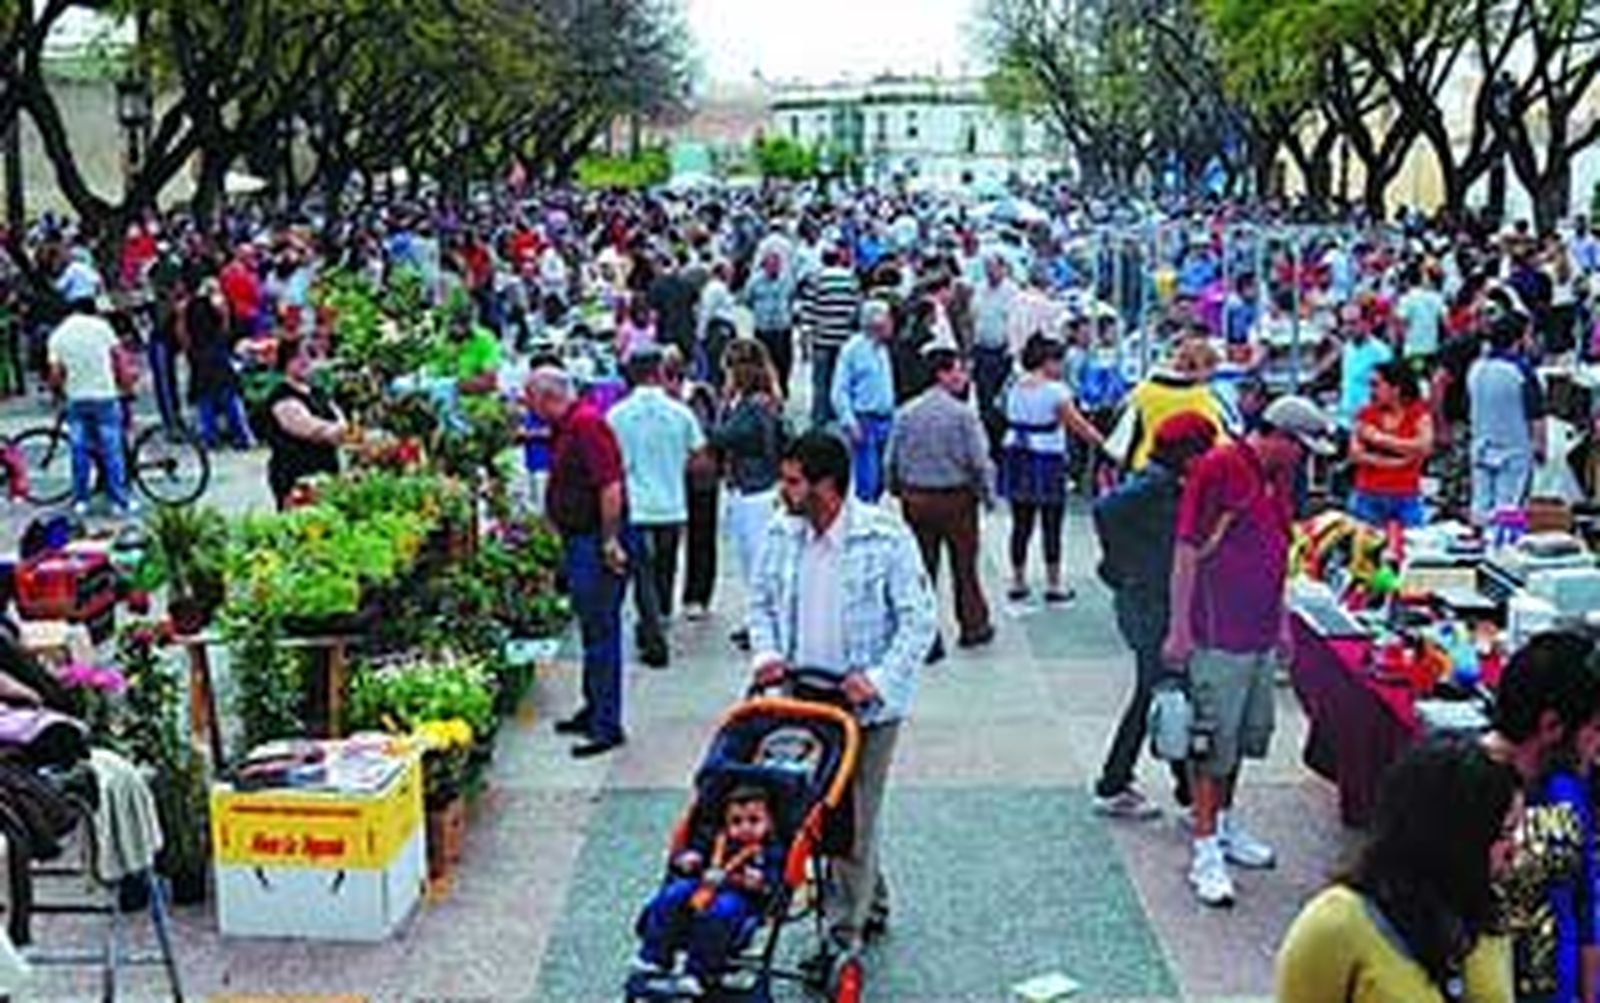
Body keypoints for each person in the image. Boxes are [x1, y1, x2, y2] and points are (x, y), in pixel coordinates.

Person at [747, 431, 937, 955]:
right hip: (803, 698)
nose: (782, 491)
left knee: (854, 814)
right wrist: (765, 657)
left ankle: (841, 935)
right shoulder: (780, 533)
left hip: (867, 708)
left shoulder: (886, 537)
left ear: (826, 487)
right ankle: (870, 900)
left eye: (792, 482)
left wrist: (876, 678)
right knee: (819, 808)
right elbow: (760, 603)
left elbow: (919, 622)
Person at [1163, 394, 1337, 907]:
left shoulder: (1276, 477)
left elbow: (1278, 553)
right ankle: (1203, 848)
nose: (1307, 458)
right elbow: (1187, 549)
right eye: (1302, 447)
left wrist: (1281, 622)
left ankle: (1224, 824)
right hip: (1217, 632)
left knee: (1240, 738)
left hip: (1259, 630)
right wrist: (1178, 628)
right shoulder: (1219, 468)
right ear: (1280, 436)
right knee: (1210, 741)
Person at [1275, 736, 1522, 1003]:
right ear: (1456, 840)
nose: (1515, 849)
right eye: (1504, 834)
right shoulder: (1335, 925)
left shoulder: (1486, 912)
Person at [1091, 412, 1218, 820]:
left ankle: (1175, 791)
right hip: (1148, 603)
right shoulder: (1155, 487)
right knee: (1160, 692)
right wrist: (1122, 562)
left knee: (1161, 690)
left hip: (1148, 599)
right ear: (1188, 453)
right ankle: (1121, 786)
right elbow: (1106, 509)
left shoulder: (1164, 480)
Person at [1482, 632, 1600, 1003]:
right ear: (1551, 726)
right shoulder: (1461, 790)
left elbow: (1586, 907)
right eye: (1595, 729)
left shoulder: (1570, 786)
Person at [527, 365, 629, 758]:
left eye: (530, 398)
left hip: (594, 542)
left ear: (547, 396)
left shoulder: (588, 425)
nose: (527, 406)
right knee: (590, 628)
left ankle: (607, 724)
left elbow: (610, 485)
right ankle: (593, 709)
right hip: (579, 540)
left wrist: (610, 540)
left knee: (602, 630)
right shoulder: (568, 425)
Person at [886, 342, 996, 657]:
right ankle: (973, 626)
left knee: (922, 569)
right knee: (964, 567)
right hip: (956, 500)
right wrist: (987, 495)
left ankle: (927, 636)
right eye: (958, 369)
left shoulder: (906, 412)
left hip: (916, 498)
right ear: (942, 375)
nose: (963, 376)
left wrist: (895, 487)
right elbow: (978, 460)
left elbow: (891, 458)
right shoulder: (963, 416)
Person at [632, 785, 786, 997]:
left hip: (741, 895)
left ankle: (697, 973)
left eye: (754, 820)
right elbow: (694, 854)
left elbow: (775, 881)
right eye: (736, 821)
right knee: (673, 894)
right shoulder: (716, 839)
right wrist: (689, 859)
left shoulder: (770, 850)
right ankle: (654, 957)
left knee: (721, 911)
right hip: (704, 882)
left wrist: (761, 882)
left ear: (769, 822)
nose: (745, 828)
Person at [608, 345, 706, 669]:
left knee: (643, 573)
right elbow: (698, 456)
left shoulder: (618, 415)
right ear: (660, 373)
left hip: (637, 506)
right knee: (665, 569)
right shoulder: (680, 413)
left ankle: (651, 629)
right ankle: (659, 621)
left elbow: (613, 464)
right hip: (672, 504)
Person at [999, 333, 1106, 604]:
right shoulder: (1056, 391)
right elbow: (1078, 425)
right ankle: (1053, 583)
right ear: (1047, 363)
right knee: (1051, 521)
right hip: (1046, 456)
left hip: (1016, 452)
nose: (1061, 369)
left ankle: (1018, 580)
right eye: (1059, 363)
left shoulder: (1013, 384)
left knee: (1020, 522)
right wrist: (1105, 443)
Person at [713, 339, 786, 651]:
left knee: (757, 562)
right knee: (752, 561)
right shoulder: (761, 402)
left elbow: (726, 436)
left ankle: (766, 626)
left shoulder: (752, 407)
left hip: (755, 489)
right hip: (751, 486)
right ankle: (761, 622)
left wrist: (716, 412)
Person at [47, 296, 134, 516]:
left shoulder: (58, 335)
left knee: (79, 450)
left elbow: (56, 373)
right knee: (112, 450)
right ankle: (119, 501)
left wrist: (57, 393)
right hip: (104, 395)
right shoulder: (101, 327)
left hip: (76, 398)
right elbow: (119, 357)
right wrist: (126, 385)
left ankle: (81, 500)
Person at [1468, 312, 1545, 524]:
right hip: (1514, 452)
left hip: (1481, 446)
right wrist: (1540, 446)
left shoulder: (1476, 368)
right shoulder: (1521, 371)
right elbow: (1536, 415)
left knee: (1480, 509)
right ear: (1519, 339)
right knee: (1508, 511)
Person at [1349, 360, 1435, 528]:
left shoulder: (1418, 413)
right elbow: (1355, 454)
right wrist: (1397, 461)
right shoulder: (1365, 414)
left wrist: (1379, 439)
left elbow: (1425, 447)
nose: (1372, 392)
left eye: (1376, 385)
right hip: (1368, 493)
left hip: (1406, 494)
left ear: (1395, 389)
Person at [262, 339, 346, 508]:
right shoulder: (281, 396)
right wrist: (335, 431)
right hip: (295, 473)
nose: (305, 361)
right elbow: (307, 428)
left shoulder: (317, 391)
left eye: (308, 355)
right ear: (286, 363)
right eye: (297, 357)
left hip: (326, 468)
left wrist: (339, 429)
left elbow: (339, 417)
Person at [831, 299, 897, 504]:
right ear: (876, 322)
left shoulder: (884, 349)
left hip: (887, 419)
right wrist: (849, 421)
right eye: (888, 319)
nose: (892, 324)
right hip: (864, 421)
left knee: (882, 480)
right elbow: (839, 390)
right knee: (867, 478)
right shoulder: (852, 350)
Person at [185, 278, 255, 451]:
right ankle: (242, 436)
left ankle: (211, 438)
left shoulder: (191, 306)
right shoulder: (220, 306)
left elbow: (186, 333)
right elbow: (226, 329)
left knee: (206, 399)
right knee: (229, 397)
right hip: (217, 354)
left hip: (200, 356)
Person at [800, 247, 863, 427]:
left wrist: (806, 339)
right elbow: (856, 310)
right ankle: (840, 419)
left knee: (821, 383)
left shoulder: (816, 279)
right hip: (843, 339)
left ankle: (819, 421)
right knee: (841, 383)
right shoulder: (850, 279)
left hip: (822, 339)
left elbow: (808, 312)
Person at [969, 252, 1018, 454]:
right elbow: (973, 319)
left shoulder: (1011, 292)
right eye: (987, 267)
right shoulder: (979, 289)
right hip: (982, 351)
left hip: (1001, 353)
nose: (990, 271)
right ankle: (989, 443)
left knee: (1002, 402)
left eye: (994, 267)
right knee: (985, 401)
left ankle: (1001, 443)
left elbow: (1014, 323)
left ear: (1003, 268)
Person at [742, 246, 798, 395]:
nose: (774, 268)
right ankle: (765, 388)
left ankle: (782, 386)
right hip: (763, 328)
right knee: (763, 361)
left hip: (782, 327)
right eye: (771, 264)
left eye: (777, 264)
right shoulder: (755, 281)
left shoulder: (787, 280)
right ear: (764, 265)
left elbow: (792, 297)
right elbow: (747, 299)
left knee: (784, 360)